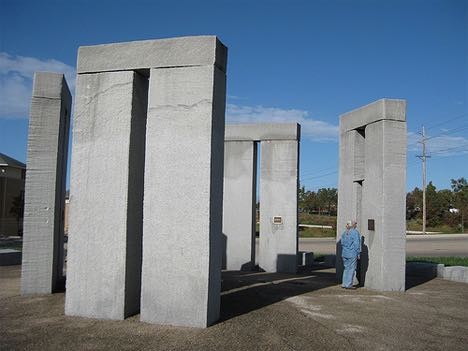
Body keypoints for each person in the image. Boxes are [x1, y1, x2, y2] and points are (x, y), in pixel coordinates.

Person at [341, 220, 361, 289]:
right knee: (352, 269)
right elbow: (357, 244)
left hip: (344, 253)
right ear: (352, 225)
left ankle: (344, 283)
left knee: (346, 268)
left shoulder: (345, 232)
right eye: (355, 224)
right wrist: (358, 253)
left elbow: (342, 243)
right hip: (352, 253)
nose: (356, 225)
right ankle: (348, 284)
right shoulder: (355, 232)